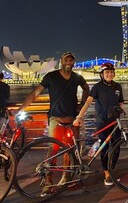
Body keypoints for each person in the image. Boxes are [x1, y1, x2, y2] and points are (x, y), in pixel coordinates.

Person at [18, 51, 89, 196]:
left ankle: (66, 177)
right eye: (66, 59)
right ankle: (48, 182)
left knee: (69, 151)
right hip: (55, 120)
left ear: (74, 62)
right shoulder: (51, 76)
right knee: (53, 150)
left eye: (71, 60)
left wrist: (82, 104)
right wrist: (21, 108)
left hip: (72, 120)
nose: (69, 62)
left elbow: (86, 88)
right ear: (61, 61)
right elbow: (35, 93)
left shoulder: (77, 78)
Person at [73, 62, 125, 186]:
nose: (110, 74)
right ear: (102, 74)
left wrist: (121, 109)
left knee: (117, 146)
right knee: (104, 148)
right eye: (107, 72)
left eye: (112, 72)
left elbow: (121, 102)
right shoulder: (97, 87)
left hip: (115, 121)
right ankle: (107, 173)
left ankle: (111, 169)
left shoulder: (118, 86)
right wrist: (79, 117)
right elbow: (87, 103)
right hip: (102, 121)